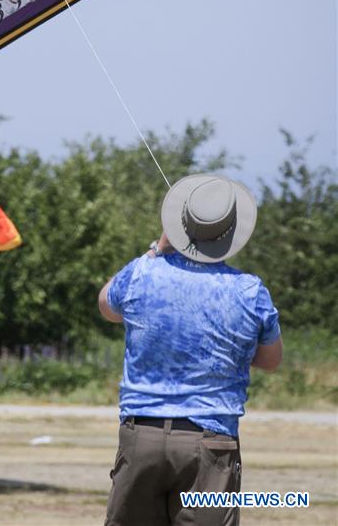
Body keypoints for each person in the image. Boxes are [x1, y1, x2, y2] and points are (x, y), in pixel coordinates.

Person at [98, 174, 283, 526]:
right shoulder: (250, 291)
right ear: (231, 234)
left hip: (142, 437)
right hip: (211, 443)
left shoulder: (142, 273)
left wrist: (156, 248)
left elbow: (106, 305)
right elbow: (271, 360)